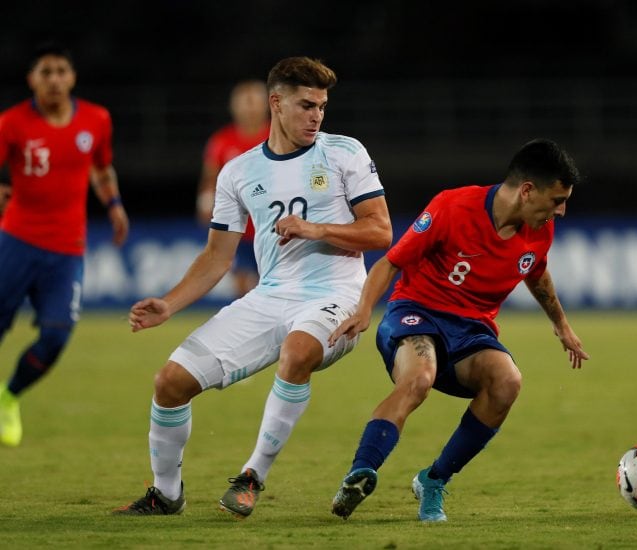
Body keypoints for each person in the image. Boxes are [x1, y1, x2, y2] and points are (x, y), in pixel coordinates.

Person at [113, 56, 392, 516]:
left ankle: (252, 476)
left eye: (321, 106)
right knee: (170, 382)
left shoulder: (345, 152)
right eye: (306, 105)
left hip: (337, 296)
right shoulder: (238, 172)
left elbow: (380, 231)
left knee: (298, 352)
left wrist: (316, 229)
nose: (316, 116)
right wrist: (170, 303)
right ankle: (166, 495)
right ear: (276, 103)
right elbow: (217, 256)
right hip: (270, 297)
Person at [329, 138, 589, 522]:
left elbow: (536, 272)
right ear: (527, 190)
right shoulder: (453, 207)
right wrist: (365, 309)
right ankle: (360, 473)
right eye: (556, 200)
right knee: (419, 377)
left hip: (471, 331)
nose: (561, 211)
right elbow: (390, 262)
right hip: (416, 313)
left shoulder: (539, 230)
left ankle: (433, 480)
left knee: (507, 382)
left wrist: (562, 327)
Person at [0, 42, 129, 448]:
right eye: (46, 72)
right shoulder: (11, 123)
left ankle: (8, 397)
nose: (54, 79)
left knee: (56, 337)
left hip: (67, 249)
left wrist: (114, 205)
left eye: (61, 71)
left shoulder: (96, 119)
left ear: (71, 77)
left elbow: (101, 168)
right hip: (16, 240)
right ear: (32, 79)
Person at [197, 80, 270, 297]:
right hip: (237, 227)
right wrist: (204, 203)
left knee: (272, 284)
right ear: (234, 106)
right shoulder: (221, 141)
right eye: (244, 103)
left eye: (254, 103)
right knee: (240, 285)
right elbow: (210, 178)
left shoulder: (279, 135)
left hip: (271, 225)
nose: (249, 109)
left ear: (266, 105)